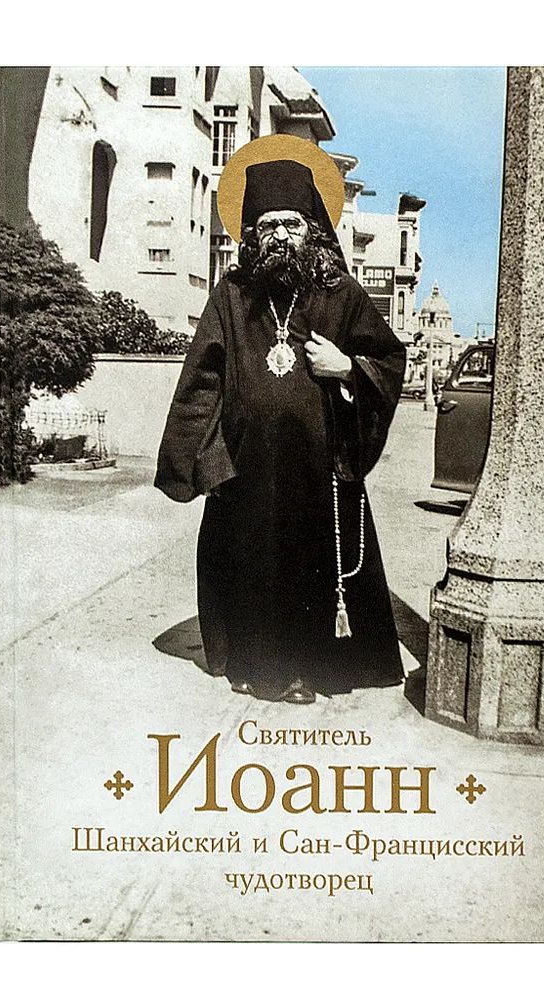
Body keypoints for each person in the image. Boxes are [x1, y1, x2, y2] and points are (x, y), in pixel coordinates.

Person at [155, 139, 406, 704]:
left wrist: (347, 366)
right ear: (251, 234)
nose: (280, 237)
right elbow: (202, 379)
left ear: (312, 228)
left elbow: (389, 359)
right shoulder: (232, 296)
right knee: (249, 565)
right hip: (245, 468)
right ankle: (249, 663)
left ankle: (302, 672)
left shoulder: (339, 294)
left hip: (318, 469)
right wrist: (205, 461)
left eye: (291, 224)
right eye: (268, 226)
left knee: (305, 567)